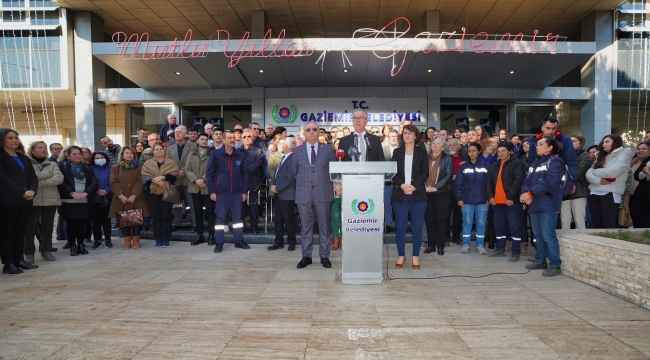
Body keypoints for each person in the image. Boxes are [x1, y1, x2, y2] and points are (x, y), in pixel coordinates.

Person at [293, 121, 336, 269]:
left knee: (324, 226)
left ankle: (325, 256)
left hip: (323, 192)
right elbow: (294, 172)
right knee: (305, 228)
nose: (311, 132)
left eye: (315, 129)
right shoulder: (297, 151)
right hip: (303, 193)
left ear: (319, 132)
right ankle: (306, 256)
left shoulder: (328, 149)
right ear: (304, 133)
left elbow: (334, 170)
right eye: (308, 130)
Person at [521, 136, 565, 277]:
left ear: (550, 147)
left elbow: (550, 183)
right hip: (534, 204)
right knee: (538, 235)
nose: (537, 146)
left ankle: (555, 264)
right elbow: (526, 181)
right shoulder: (534, 163)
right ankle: (540, 260)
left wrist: (530, 193)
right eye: (537, 144)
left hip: (548, 205)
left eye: (541, 144)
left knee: (548, 235)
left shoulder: (556, 162)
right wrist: (525, 195)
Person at [0, 129, 39, 274]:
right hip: (7, 200)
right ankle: (8, 263)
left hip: (26, 200)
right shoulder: (1, 157)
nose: (14, 140)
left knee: (20, 231)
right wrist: (22, 192)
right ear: (2, 140)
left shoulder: (23, 158)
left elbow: (33, 178)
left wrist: (32, 190)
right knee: (6, 232)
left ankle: (19, 260)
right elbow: (3, 178)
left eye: (16, 138)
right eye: (10, 138)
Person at [391, 125, 428, 269]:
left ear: (415, 136)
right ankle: (401, 255)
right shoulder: (397, 152)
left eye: (410, 133)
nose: (407, 135)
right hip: (400, 193)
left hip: (417, 193)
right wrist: (402, 185)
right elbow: (393, 172)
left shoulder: (422, 152)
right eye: (405, 133)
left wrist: (414, 186)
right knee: (400, 226)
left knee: (417, 226)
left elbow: (425, 173)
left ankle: (415, 256)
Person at [206, 130, 250, 253]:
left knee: (237, 218)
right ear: (223, 140)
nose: (232, 140)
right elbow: (209, 174)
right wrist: (212, 191)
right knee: (220, 219)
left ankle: (238, 240)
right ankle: (219, 242)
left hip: (237, 192)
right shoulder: (216, 154)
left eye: (233, 138)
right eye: (229, 138)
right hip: (221, 192)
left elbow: (245, 174)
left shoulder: (240, 155)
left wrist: (244, 192)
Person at [23, 141, 63, 264]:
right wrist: (46, 175)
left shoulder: (52, 164)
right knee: (29, 227)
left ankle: (46, 250)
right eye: (40, 148)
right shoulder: (26, 163)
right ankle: (29, 253)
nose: (43, 150)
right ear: (32, 150)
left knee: (48, 227)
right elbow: (25, 177)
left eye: (45, 148)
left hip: (50, 200)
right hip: (31, 200)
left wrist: (36, 184)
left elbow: (59, 178)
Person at [486, 142, 526, 261]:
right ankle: (500, 249)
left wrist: (510, 197)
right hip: (497, 203)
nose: (501, 153)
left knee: (514, 227)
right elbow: (488, 182)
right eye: (499, 151)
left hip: (511, 203)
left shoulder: (516, 164)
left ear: (509, 151)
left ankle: (515, 252)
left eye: (503, 150)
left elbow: (518, 181)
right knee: (499, 227)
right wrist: (490, 197)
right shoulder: (494, 165)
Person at [57, 146, 99, 256]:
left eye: (79, 154)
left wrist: (86, 193)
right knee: (71, 224)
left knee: (82, 224)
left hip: (84, 200)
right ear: (68, 155)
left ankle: (81, 244)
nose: (77, 156)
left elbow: (94, 182)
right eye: (74, 154)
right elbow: (61, 183)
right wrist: (72, 193)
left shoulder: (86, 168)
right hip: (69, 200)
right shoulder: (62, 167)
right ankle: (72, 246)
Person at [586, 134, 634, 229]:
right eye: (603, 142)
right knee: (597, 224)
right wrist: (599, 180)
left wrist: (595, 171)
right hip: (595, 192)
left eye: (607, 142)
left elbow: (612, 172)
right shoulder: (600, 155)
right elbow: (588, 174)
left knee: (608, 224)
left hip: (610, 193)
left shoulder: (624, 154)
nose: (604, 144)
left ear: (615, 143)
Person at [110, 146, 148, 249]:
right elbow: (113, 182)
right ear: (122, 155)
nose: (129, 155)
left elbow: (141, 182)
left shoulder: (140, 167)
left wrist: (134, 195)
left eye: (131, 153)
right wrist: (120, 195)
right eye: (127, 153)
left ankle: (136, 240)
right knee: (124, 219)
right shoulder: (115, 167)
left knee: (136, 219)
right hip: (121, 197)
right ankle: (126, 240)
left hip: (136, 196)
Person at [455, 142, 490, 255]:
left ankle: (480, 245)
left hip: (482, 200)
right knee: (467, 223)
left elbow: (489, 184)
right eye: (469, 151)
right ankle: (466, 244)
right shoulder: (463, 166)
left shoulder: (485, 165)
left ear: (479, 151)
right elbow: (459, 184)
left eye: (474, 150)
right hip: (467, 200)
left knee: (481, 223)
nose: (471, 153)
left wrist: (489, 197)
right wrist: (459, 198)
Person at [141, 143, 178, 248]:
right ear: (153, 151)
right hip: (152, 193)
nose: (159, 151)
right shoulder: (148, 163)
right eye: (156, 149)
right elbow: (144, 175)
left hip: (166, 191)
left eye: (161, 149)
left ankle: (166, 239)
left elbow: (174, 174)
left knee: (166, 216)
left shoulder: (171, 162)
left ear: (164, 150)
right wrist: (156, 181)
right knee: (156, 217)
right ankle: (158, 239)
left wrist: (162, 178)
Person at [423, 136, 453, 256]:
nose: (434, 145)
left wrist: (436, 187)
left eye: (437, 143)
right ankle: (431, 245)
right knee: (429, 220)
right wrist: (426, 186)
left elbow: (448, 175)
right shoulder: (425, 158)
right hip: (426, 192)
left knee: (441, 220)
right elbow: (421, 173)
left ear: (443, 147)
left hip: (442, 193)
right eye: (433, 143)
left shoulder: (447, 159)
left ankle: (440, 246)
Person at [185, 133, 216, 246]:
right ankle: (199, 235)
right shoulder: (191, 154)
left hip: (208, 187)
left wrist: (203, 179)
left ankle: (211, 235)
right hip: (194, 187)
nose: (204, 141)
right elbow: (187, 169)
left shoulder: (212, 154)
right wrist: (195, 180)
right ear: (197, 141)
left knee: (210, 212)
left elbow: (214, 169)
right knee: (197, 212)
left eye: (206, 139)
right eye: (202, 139)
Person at [167, 125, 198, 231]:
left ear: (185, 135)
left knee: (192, 203)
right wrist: (176, 173)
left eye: (179, 132)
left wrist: (183, 171)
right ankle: (178, 223)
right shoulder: (170, 148)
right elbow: (168, 163)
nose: (177, 133)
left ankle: (195, 224)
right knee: (176, 204)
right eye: (176, 132)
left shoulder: (193, 147)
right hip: (175, 180)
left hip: (188, 180)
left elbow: (194, 162)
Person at [269, 137, 297, 251]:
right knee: (278, 220)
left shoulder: (293, 158)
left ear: (286, 146)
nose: (281, 145)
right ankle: (278, 242)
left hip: (287, 194)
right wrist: (273, 184)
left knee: (288, 220)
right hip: (279, 194)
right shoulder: (284, 157)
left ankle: (291, 243)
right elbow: (276, 174)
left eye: (283, 143)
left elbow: (290, 178)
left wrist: (278, 188)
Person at [240, 129, 267, 235]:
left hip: (253, 183)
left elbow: (256, 166)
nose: (247, 138)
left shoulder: (258, 151)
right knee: (240, 208)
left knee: (253, 208)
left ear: (252, 138)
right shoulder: (237, 151)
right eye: (244, 137)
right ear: (242, 139)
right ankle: (240, 228)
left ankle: (254, 227)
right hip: (240, 184)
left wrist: (242, 170)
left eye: (248, 136)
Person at [561, 134, 591, 230]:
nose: (571, 143)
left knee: (579, 220)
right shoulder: (563, 155)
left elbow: (579, 174)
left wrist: (564, 173)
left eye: (574, 141)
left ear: (581, 143)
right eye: (570, 141)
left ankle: (581, 244)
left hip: (579, 191)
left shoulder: (584, 155)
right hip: (564, 191)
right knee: (564, 220)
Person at [90, 151, 113, 250]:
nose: (100, 159)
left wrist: (107, 190)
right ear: (94, 159)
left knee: (107, 220)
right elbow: (88, 182)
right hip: (94, 198)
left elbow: (114, 182)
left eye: (101, 157)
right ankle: (97, 240)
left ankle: (108, 239)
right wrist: (97, 190)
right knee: (96, 221)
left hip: (107, 198)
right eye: (97, 158)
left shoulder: (111, 169)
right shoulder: (90, 169)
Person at [448, 138, 465, 245]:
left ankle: (456, 237)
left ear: (459, 147)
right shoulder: (444, 158)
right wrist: (451, 176)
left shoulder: (464, 158)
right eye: (450, 145)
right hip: (446, 189)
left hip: (459, 190)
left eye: (454, 145)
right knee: (445, 215)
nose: (452, 147)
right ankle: (445, 238)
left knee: (458, 216)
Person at [382, 129, 399, 233]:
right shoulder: (382, 150)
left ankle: (399, 225)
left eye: (395, 136)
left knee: (399, 205)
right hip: (386, 183)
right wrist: (389, 177)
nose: (393, 138)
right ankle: (388, 224)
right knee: (387, 204)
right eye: (391, 136)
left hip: (400, 183)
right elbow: (380, 165)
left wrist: (396, 178)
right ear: (388, 138)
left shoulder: (403, 149)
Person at [631, 141, 650, 228]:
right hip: (641, 195)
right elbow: (636, 176)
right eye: (639, 149)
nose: (640, 151)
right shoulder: (646, 160)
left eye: (644, 149)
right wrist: (644, 173)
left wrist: (647, 173)